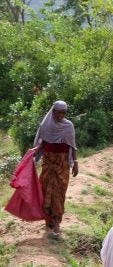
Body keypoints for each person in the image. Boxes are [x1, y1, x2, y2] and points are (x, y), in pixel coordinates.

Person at [32, 100, 78, 239]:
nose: (61, 115)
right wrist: (32, 153)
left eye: (64, 112)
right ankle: (49, 220)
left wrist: (75, 162)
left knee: (59, 193)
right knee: (45, 190)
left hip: (62, 164)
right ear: (53, 112)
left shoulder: (68, 126)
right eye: (59, 112)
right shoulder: (46, 126)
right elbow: (42, 143)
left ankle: (57, 225)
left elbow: (72, 145)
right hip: (48, 163)